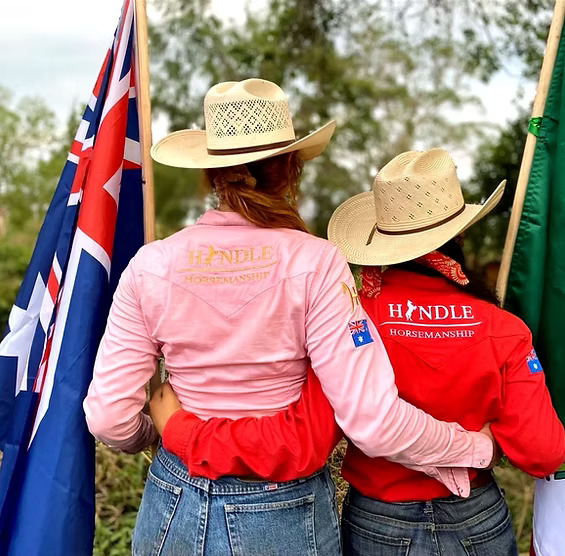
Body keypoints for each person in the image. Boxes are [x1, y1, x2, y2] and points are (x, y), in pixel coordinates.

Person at [84, 79, 495, 556]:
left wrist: (163, 430)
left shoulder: (150, 265)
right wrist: (473, 447)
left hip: (174, 498)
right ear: (290, 168)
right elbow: (373, 421)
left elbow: (109, 417)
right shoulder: (317, 263)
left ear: (210, 175)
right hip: (282, 507)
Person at [151, 148, 565, 555]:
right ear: (459, 232)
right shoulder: (505, 329)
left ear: (381, 237)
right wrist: (490, 446)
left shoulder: (353, 314)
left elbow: (317, 430)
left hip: (380, 517)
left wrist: (185, 432)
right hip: (477, 517)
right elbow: (545, 452)